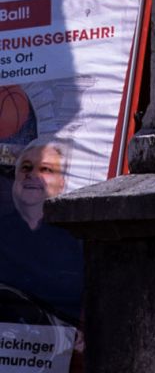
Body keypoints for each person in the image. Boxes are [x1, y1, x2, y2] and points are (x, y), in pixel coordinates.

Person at [0, 138, 82, 326]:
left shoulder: (77, 236)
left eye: (45, 169)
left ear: (62, 183)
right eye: (26, 168)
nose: (32, 175)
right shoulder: (2, 231)